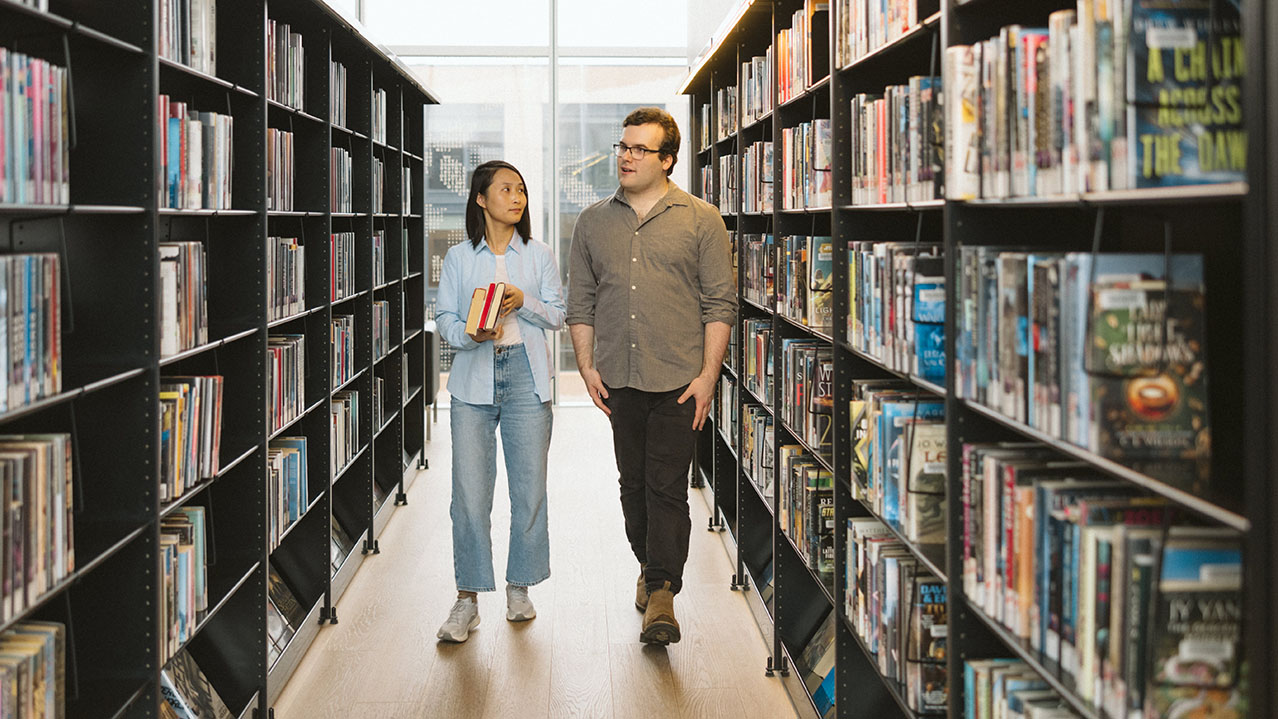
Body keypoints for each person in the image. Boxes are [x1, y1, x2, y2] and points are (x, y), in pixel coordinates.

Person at [566, 107, 734, 645]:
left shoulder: (702, 219)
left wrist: (709, 376)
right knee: (632, 486)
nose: (626, 156)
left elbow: (719, 304)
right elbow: (581, 302)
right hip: (619, 378)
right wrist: (588, 365)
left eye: (640, 149)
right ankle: (648, 565)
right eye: (623, 146)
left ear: (667, 160)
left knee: (667, 488)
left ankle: (662, 592)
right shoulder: (593, 222)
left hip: (680, 381)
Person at [434, 160, 565, 643]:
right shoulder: (458, 258)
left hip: (527, 381)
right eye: (506, 189)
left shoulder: (540, 254)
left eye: (522, 190)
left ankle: (519, 587)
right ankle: (467, 598)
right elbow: (444, 318)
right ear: (481, 199)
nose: (517, 198)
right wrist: (471, 334)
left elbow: (558, 315)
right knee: (468, 496)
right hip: (473, 383)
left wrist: (521, 301)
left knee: (529, 491)